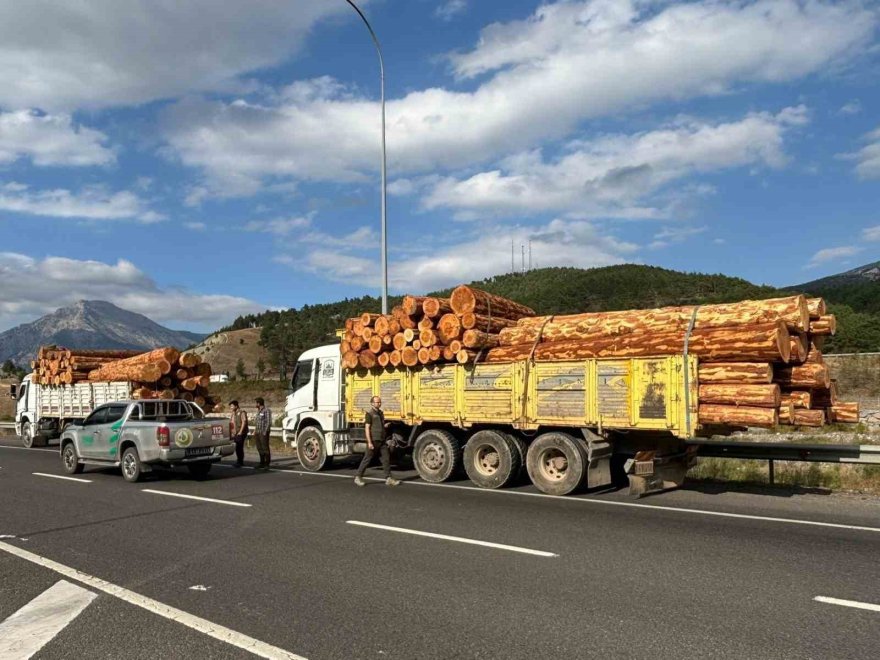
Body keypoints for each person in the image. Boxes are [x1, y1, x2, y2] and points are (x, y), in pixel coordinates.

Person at [354, 396, 400, 487]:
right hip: (374, 440)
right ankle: (358, 477)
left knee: (386, 459)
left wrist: (385, 425)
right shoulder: (369, 414)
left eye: (379, 402)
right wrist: (369, 442)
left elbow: (380, 425)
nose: (379, 403)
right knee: (367, 459)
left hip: (382, 440)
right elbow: (367, 428)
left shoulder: (380, 413)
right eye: (376, 402)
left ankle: (388, 478)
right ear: (372, 403)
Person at [229, 400, 248, 467]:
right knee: (237, 447)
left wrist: (240, 431)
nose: (231, 407)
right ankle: (239, 460)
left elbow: (244, 422)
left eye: (232, 406)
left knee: (239, 447)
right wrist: (232, 432)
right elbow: (231, 422)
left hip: (241, 433)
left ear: (236, 406)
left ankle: (240, 461)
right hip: (236, 433)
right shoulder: (233, 413)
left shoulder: (242, 412)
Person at [254, 397, 272, 469]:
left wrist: (265, 432)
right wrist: (255, 431)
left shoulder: (266, 410)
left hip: (263, 433)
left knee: (265, 448)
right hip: (258, 432)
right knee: (259, 448)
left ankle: (267, 464)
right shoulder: (258, 411)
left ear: (259, 403)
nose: (255, 404)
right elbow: (257, 422)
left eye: (256, 403)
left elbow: (268, 422)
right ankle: (261, 463)